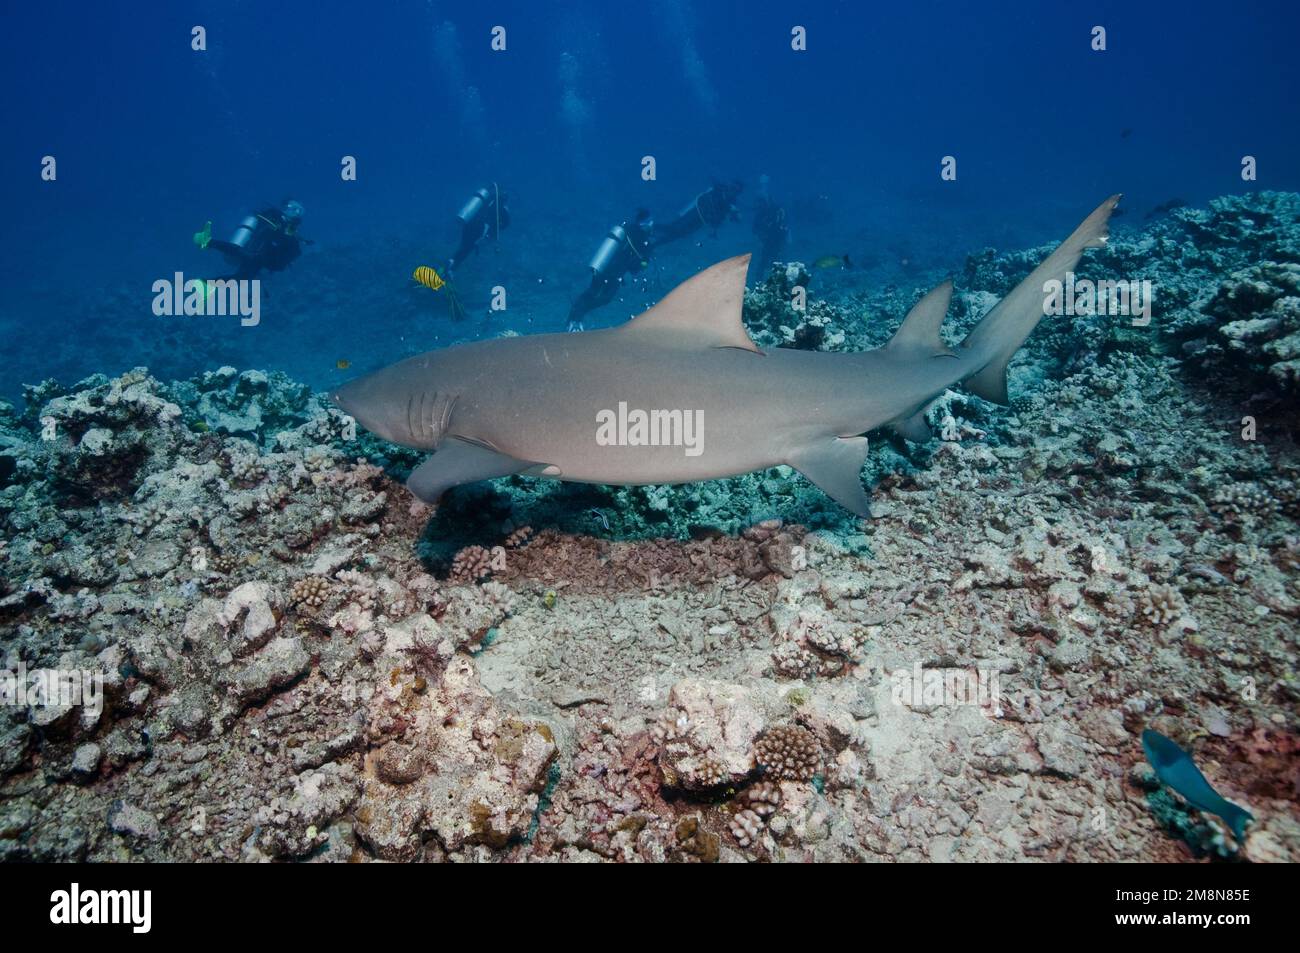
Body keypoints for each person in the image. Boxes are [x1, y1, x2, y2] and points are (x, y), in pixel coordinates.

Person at [566, 209, 655, 332]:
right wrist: (644, 261)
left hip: (602, 266)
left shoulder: (628, 230)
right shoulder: (641, 238)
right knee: (605, 298)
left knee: (592, 292)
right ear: (644, 223)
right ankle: (576, 317)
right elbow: (635, 267)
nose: (652, 224)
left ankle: (574, 317)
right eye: (649, 221)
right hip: (613, 272)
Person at [197, 199, 308, 281]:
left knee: (241, 279)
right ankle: (208, 241)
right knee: (238, 253)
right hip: (255, 253)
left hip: (261, 260)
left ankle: (205, 284)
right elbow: (269, 236)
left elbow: (287, 247)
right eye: (294, 209)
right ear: (286, 208)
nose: (297, 213)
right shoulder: (273, 218)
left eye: (300, 211)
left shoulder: (290, 228)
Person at [650, 179, 743, 246]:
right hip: (696, 212)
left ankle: (654, 244)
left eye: (736, 191)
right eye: (733, 188)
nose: (733, 191)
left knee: (680, 234)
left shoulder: (730, 204)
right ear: (730, 186)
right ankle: (648, 228)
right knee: (674, 228)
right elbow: (709, 201)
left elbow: (727, 219)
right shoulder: (719, 191)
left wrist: (734, 213)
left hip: (702, 221)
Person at [445, 183, 509, 276]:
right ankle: (452, 266)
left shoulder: (486, 199)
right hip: (481, 228)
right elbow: (505, 224)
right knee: (468, 248)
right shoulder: (502, 209)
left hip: (469, 223)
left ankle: (452, 262)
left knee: (464, 245)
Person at [752, 195, 789, 272]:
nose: (760, 206)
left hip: (776, 238)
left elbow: (780, 225)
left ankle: (768, 276)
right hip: (768, 239)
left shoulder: (776, 211)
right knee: (766, 258)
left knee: (772, 258)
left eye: (761, 203)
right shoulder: (762, 213)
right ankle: (760, 278)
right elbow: (755, 229)